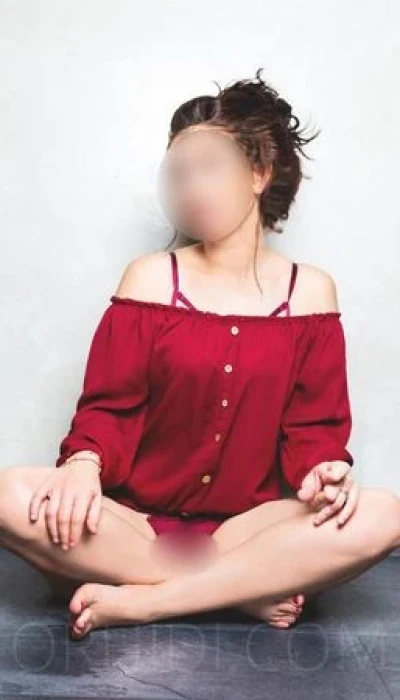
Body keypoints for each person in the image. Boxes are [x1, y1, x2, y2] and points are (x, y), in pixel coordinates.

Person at [1, 68, 400, 641]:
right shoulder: (149, 278)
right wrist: (82, 467)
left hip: (250, 530)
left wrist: (323, 473)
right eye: (181, 173)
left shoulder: (312, 292)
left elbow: (314, 433)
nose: (192, 188)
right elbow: (108, 410)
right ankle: (238, 592)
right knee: (11, 494)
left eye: (210, 168)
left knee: (383, 514)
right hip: (133, 528)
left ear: (259, 173)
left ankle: (147, 602)